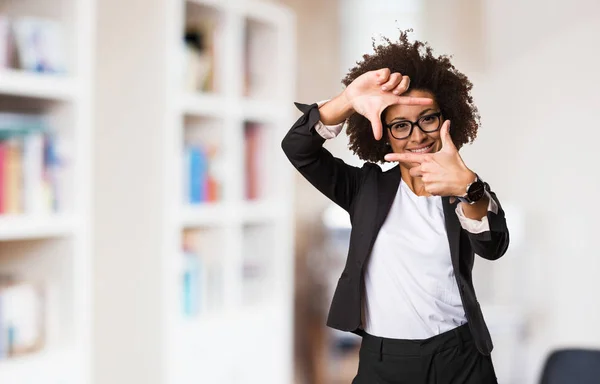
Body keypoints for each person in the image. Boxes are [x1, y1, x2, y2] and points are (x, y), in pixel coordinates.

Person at [281, 30, 509, 383]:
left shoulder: (466, 188)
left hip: (459, 357)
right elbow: (298, 148)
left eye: (428, 119)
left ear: (447, 120)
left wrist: (469, 188)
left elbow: (493, 246)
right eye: (401, 125)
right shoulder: (365, 189)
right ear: (384, 133)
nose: (417, 136)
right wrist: (346, 99)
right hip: (385, 359)